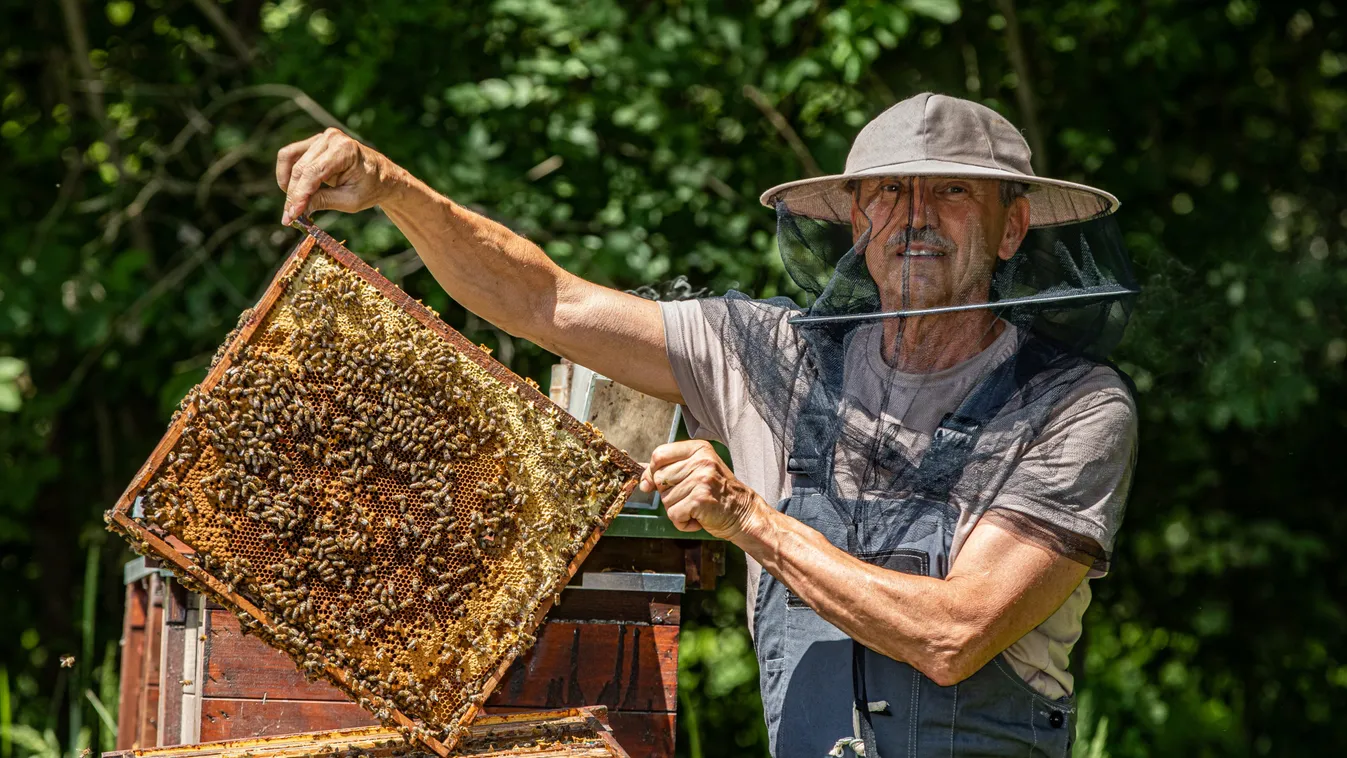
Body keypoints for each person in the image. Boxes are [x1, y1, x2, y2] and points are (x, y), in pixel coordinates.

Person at [276, 91, 1137, 757]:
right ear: (854, 223)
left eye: (951, 193)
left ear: (1011, 225)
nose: (913, 217)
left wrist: (751, 520)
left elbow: (953, 635)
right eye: (885, 194)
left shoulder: (1070, 407)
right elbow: (544, 300)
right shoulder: (766, 354)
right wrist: (392, 187)